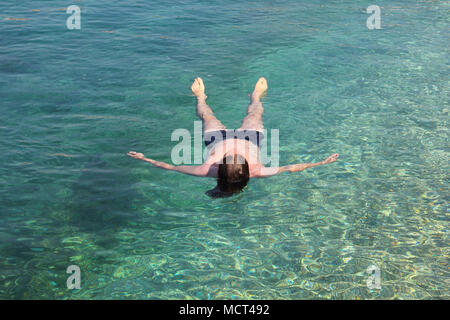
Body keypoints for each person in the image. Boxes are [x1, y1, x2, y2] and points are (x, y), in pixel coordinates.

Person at [128, 77, 339, 197]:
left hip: (217, 140)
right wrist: (320, 163)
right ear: (248, 170)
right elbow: (290, 168)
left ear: (219, 169)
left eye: (231, 158)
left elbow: (172, 167)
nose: (235, 153)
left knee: (206, 115)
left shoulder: (205, 170)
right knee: (256, 113)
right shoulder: (258, 171)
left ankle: (201, 97)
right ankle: (255, 96)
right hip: (251, 139)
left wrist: (144, 159)